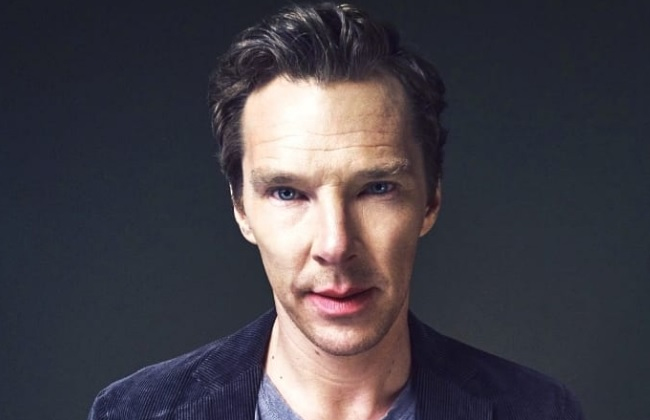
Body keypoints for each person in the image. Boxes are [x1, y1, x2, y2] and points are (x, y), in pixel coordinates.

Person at [88, 2, 585, 419]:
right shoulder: (133, 413)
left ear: (430, 199)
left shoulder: (538, 410)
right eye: (288, 193)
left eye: (376, 188)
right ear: (241, 208)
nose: (335, 244)